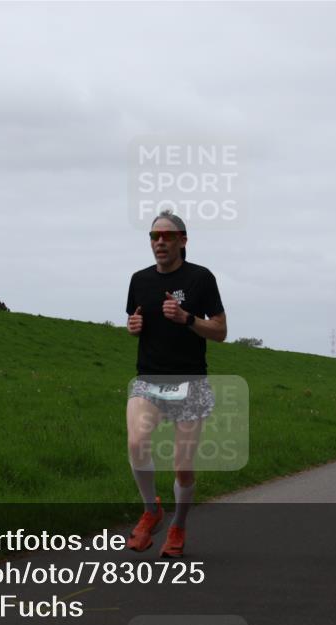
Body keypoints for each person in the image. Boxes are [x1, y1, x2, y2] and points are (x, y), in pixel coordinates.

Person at [125, 210, 226, 558]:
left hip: (190, 382)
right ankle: (151, 511)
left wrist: (187, 319)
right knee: (137, 441)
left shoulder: (201, 279)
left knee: (183, 465)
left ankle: (179, 524)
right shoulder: (139, 279)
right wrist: (133, 325)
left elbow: (221, 331)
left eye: (167, 236)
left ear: (183, 240)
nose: (160, 242)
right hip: (148, 379)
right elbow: (134, 317)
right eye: (154, 237)